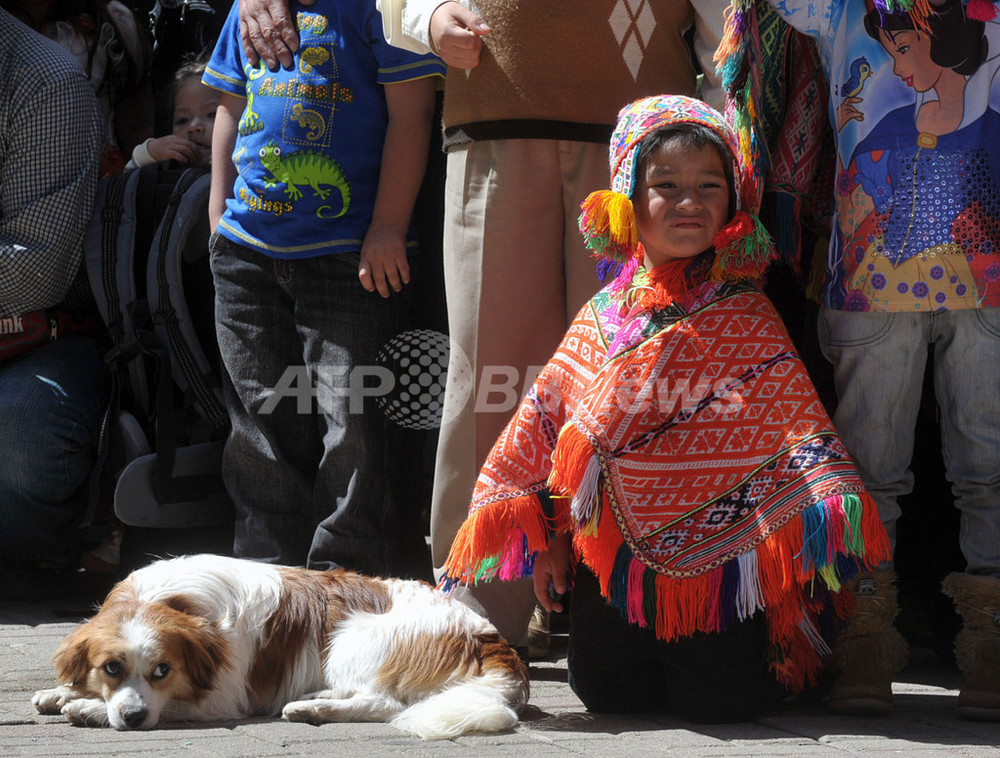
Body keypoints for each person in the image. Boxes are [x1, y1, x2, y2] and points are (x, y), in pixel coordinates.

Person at [237, 0, 731, 658]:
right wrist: (431, 18)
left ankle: (624, 608)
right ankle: (478, 614)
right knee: (492, 387)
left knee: (628, 389)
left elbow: (724, 29)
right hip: (494, 136)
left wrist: (725, 141)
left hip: (646, 159)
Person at [439, 94, 891, 721]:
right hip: (614, 561)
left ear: (732, 201)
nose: (689, 201)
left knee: (721, 700)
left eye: (710, 184)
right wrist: (551, 541)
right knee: (604, 691)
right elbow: (550, 435)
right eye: (666, 185)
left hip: (721, 561)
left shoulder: (746, 314)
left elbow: (792, 435)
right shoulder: (599, 320)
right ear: (626, 198)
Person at [723, 0, 1000, 718]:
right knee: (871, 471)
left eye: (910, 50)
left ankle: (991, 640)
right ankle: (863, 633)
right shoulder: (848, 6)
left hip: (988, 284)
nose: (903, 63)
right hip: (873, 282)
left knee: (989, 467)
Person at [203, 0, 445, 576]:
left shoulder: (384, 10)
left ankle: (349, 579)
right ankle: (269, 578)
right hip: (247, 253)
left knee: (353, 424)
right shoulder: (248, 11)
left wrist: (388, 224)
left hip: (351, 258)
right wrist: (217, 215)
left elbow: (411, 116)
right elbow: (229, 109)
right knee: (258, 423)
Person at [0, 8, 108, 577]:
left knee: (19, 434)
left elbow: (33, 269)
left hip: (40, 341)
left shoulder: (43, 80)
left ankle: (34, 564)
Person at [1, 0, 153, 177]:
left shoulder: (110, 26)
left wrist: (144, 162)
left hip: (102, 179)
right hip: (19, 172)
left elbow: (137, 122)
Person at [127, 55, 219, 170]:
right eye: (183, 120)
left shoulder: (245, 171)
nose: (193, 127)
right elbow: (127, 181)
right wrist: (147, 155)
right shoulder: (166, 166)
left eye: (212, 115)